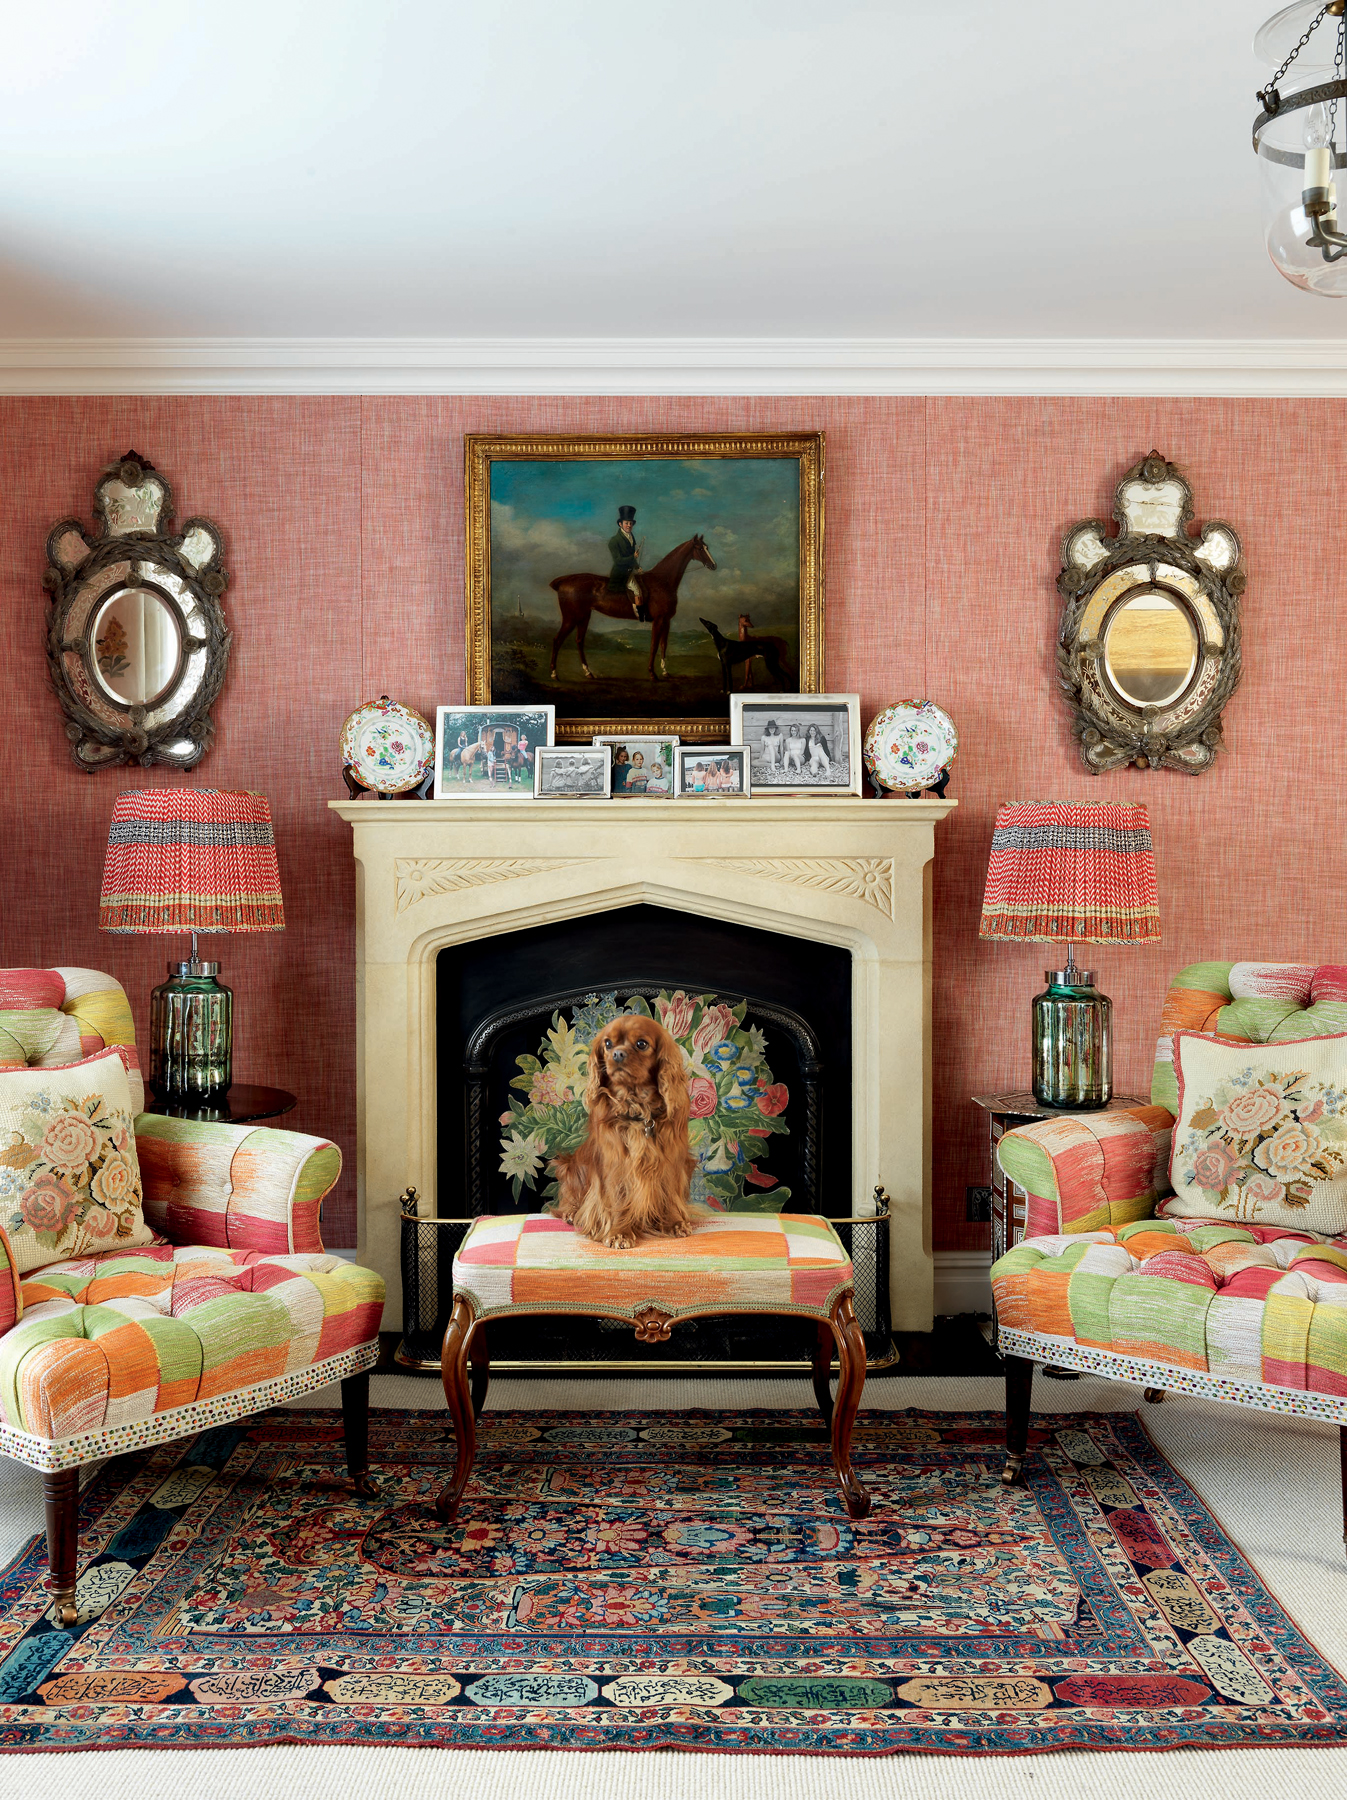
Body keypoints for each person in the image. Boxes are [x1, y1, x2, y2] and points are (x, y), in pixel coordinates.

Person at [606, 505, 647, 620]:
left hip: (630, 569)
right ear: (620, 524)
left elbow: (632, 559)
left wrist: (637, 567)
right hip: (621, 573)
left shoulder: (631, 538)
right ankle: (640, 616)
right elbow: (618, 561)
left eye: (630, 523)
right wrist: (632, 557)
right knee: (637, 590)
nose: (629, 525)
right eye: (626, 523)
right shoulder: (614, 541)